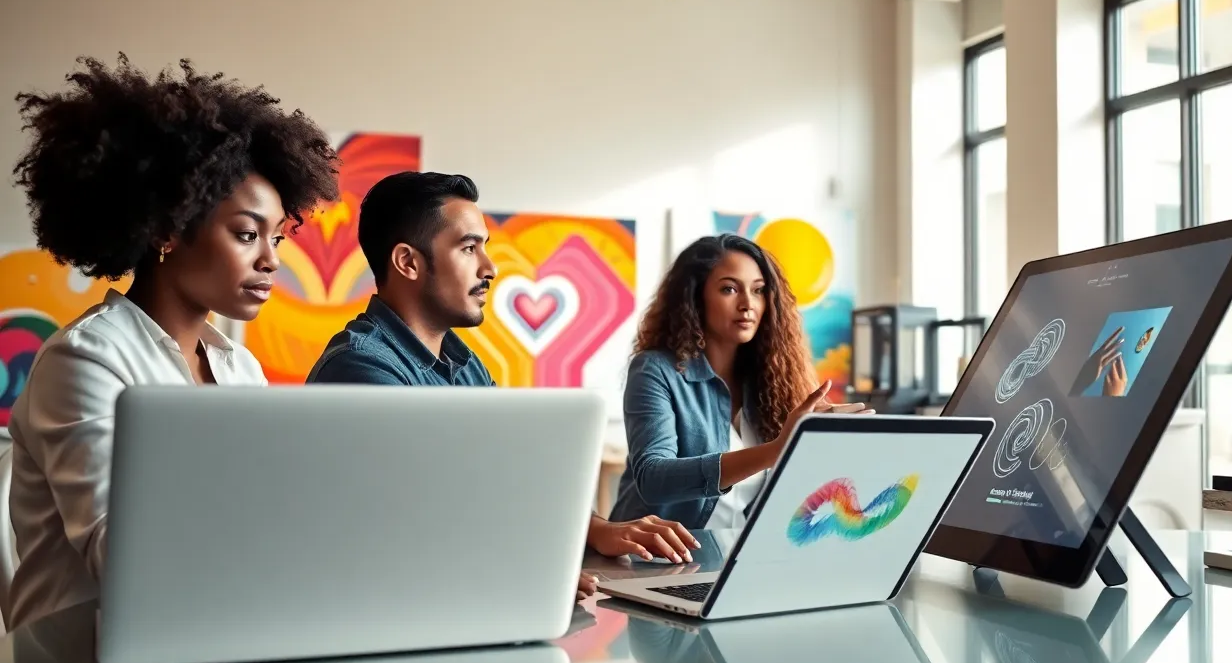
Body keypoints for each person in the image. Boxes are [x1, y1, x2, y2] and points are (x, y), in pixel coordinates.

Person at [5, 54, 340, 630]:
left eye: (278, 238)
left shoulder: (239, 368)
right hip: (82, 656)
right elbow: (124, 561)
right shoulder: (85, 360)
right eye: (247, 234)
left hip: (210, 629)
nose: (271, 260)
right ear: (166, 230)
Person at [306, 171, 699, 597]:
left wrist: (597, 529)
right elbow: (415, 520)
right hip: (388, 600)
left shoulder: (464, 364)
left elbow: (509, 477)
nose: (490, 267)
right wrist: (519, 573)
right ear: (408, 262)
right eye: (468, 248)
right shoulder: (361, 369)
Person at [611, 234, 870, 530]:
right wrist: (776, 449)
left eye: (758, 290)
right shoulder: (655, 369)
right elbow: (654, 479)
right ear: (694, 298)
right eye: (729, 289)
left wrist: (824, 444)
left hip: (731, 550)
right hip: (650, 552)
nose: (748, 304)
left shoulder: (773, 381)